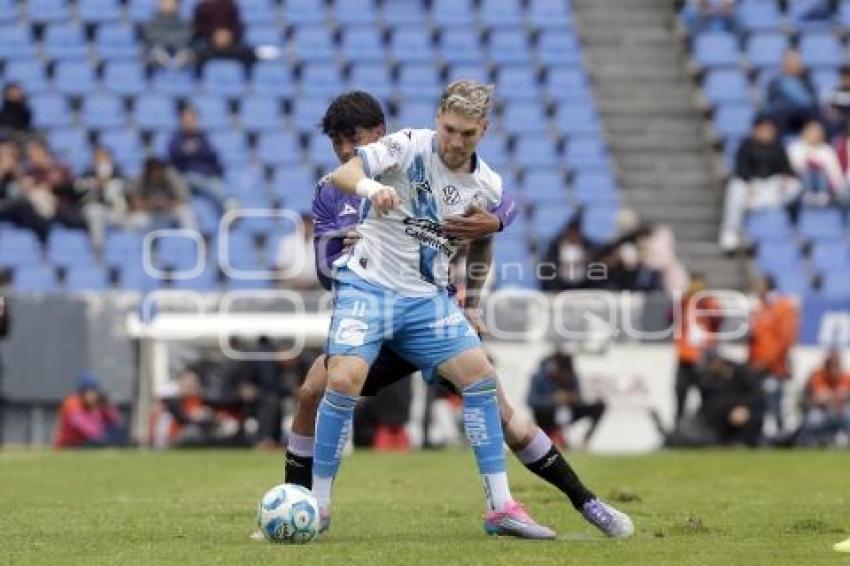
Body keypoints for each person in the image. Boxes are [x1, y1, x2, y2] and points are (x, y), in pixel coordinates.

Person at [310, 82, 633, 539]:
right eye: (449, 128)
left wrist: (475, 303)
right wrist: (370, 188)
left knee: (482, 382)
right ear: (437, 117)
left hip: (427, 302)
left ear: (485, 129)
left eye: (467, 133)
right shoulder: (406, 145)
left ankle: (503, 508)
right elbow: (345, 174)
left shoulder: (486, 185)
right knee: (334, 382)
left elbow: (485, 240)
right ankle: (317, 506)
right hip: (371, 286)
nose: (455, 141)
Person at [719, 115, 801, 252]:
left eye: (770, 129)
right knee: (735, 186)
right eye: (764, 129)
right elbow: (741, 169)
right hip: (751, 186)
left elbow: (787, 169)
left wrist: (786, 179)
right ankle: (731, 232)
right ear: (756, 130)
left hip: (771, 188)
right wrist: (750, 184)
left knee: (796, 186)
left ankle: (767, 219)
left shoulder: (778, 147)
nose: (767, 132)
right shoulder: (746, 145)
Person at [748, 275, 799, 437]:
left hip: (774, 368)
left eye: (759, 284)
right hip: (757, 366)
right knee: (759, 404)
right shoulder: (759, 308)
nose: (755, 288)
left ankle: (782, 439)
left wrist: (766, 361)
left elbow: (785, 340)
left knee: (776, 405)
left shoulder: (783, 307)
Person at [527, 349, 607, 449]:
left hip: (568, 412)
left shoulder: (571, 376)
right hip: (546, 416)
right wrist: (553, 399)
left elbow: (579, 399)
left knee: (599, 406)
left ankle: (584, 442)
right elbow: (531, 400)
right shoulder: (540, 377)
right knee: (557, 411)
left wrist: (571, 398)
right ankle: (556, 439)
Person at [673, 273, 723, 424]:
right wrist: (683, 300)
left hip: (703, 356)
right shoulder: (684, 303)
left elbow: (718, 319)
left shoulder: (710, 303)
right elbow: (670, 317)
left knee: (707, 395)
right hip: (685, 356)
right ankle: (678, 429)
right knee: (680, 395)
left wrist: (703, 301)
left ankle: (708, 427)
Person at [167, 106, 228, 214]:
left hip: (206, 176)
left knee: (214, 183)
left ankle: (228, 208)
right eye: (186, 119)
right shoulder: (176, 139)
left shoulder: (203, 138)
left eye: (192, 119)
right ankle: (227, 203)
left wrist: (198, 149)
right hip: (186, 177)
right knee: (195, 178)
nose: (189, 122)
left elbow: (213, 157)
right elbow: (173, 158)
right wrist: (184, 151)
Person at [74, 147, 131, 254]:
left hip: (116, 212)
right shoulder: (86, 174)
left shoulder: (119, 175)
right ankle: (98, 250)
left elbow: (128, 194)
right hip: (94, 211)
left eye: (104, 157)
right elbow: (77, 190)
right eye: (97, 158)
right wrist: (96, 184)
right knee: (95, 212)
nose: (101, 160)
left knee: (139, 221)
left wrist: (109, 183)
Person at [787, 120, 847, 210]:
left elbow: (834, 172)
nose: (814, 136)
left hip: (824, 185)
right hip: (802, 182)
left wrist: (838, 189)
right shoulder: (795, 148)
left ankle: (822, 196)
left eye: (817, 134)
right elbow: (792, 169)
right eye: (811, 133)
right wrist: (807, 160)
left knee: (820, 171)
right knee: (809, 170)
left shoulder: (827, 150)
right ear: (804, 133)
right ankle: (807, 196)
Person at [54, 372, 125, 448]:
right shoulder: (72, 403)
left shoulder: (95, 404)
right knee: (101, 440)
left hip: (86, 441)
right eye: (90, 392)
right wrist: (106, 436)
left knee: (118, 432)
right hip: (68, 445)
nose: (93, 395)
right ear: (82, 393)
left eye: (95, 392)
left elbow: (115, 422)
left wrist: (107, 407)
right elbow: (85, 427)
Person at [797, 350, 850, 447]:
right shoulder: (816, 377)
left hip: (841, 413)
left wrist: (846, 397)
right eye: (831, 365)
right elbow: (802, 402)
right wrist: (816, 401)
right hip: (822, 413)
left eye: (836, 365)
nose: (834, 369)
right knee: (814, 417)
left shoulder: (846, 378)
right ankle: (812, 443)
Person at [128, 157, 197, 231]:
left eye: (157, 170)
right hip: (150, 213)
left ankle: (190, 238)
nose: (155, 173)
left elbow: (183, 197)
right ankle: (148, 241)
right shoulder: (140, 179)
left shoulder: (171, 176)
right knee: (137, 221)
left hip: (170, 211)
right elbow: (135, 202)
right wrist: (150, 204)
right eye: (152, 171)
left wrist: (167, 202)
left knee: (186, 212)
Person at [0, 141, 49, 242]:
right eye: (5, 156)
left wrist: (16, 172)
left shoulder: (17, 174)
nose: (9, 159)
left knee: (31, 202)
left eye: (12, 156)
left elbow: (22, 191)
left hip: (14, 211)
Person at [764, 50, 819, 136]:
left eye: (797, 63)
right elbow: (770, 105)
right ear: (784, 64)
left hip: (804, 118)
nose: (796, 65)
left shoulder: (807, 81)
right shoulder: (775, 82)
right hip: (783, 120)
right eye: (792, 63)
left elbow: (812, 102)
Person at [275, 212, 321, 290]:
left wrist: (310, 283)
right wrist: (295, 282)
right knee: (282, 289)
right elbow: (280, 268)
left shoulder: (320, 243)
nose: (307, 227)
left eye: (310, 225)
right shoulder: (287, 242)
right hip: (291, 283)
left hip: (314, 285)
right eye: (305, 224)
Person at [142, 0, 193, 70]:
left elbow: (187, 38)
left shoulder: (185, 24)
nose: (167, 4)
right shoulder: (150, 24)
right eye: (164, 1)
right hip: (157, 53)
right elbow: (150, 39)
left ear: (177, 4)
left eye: (171, 2)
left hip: (180, 55)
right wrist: (162, 54)